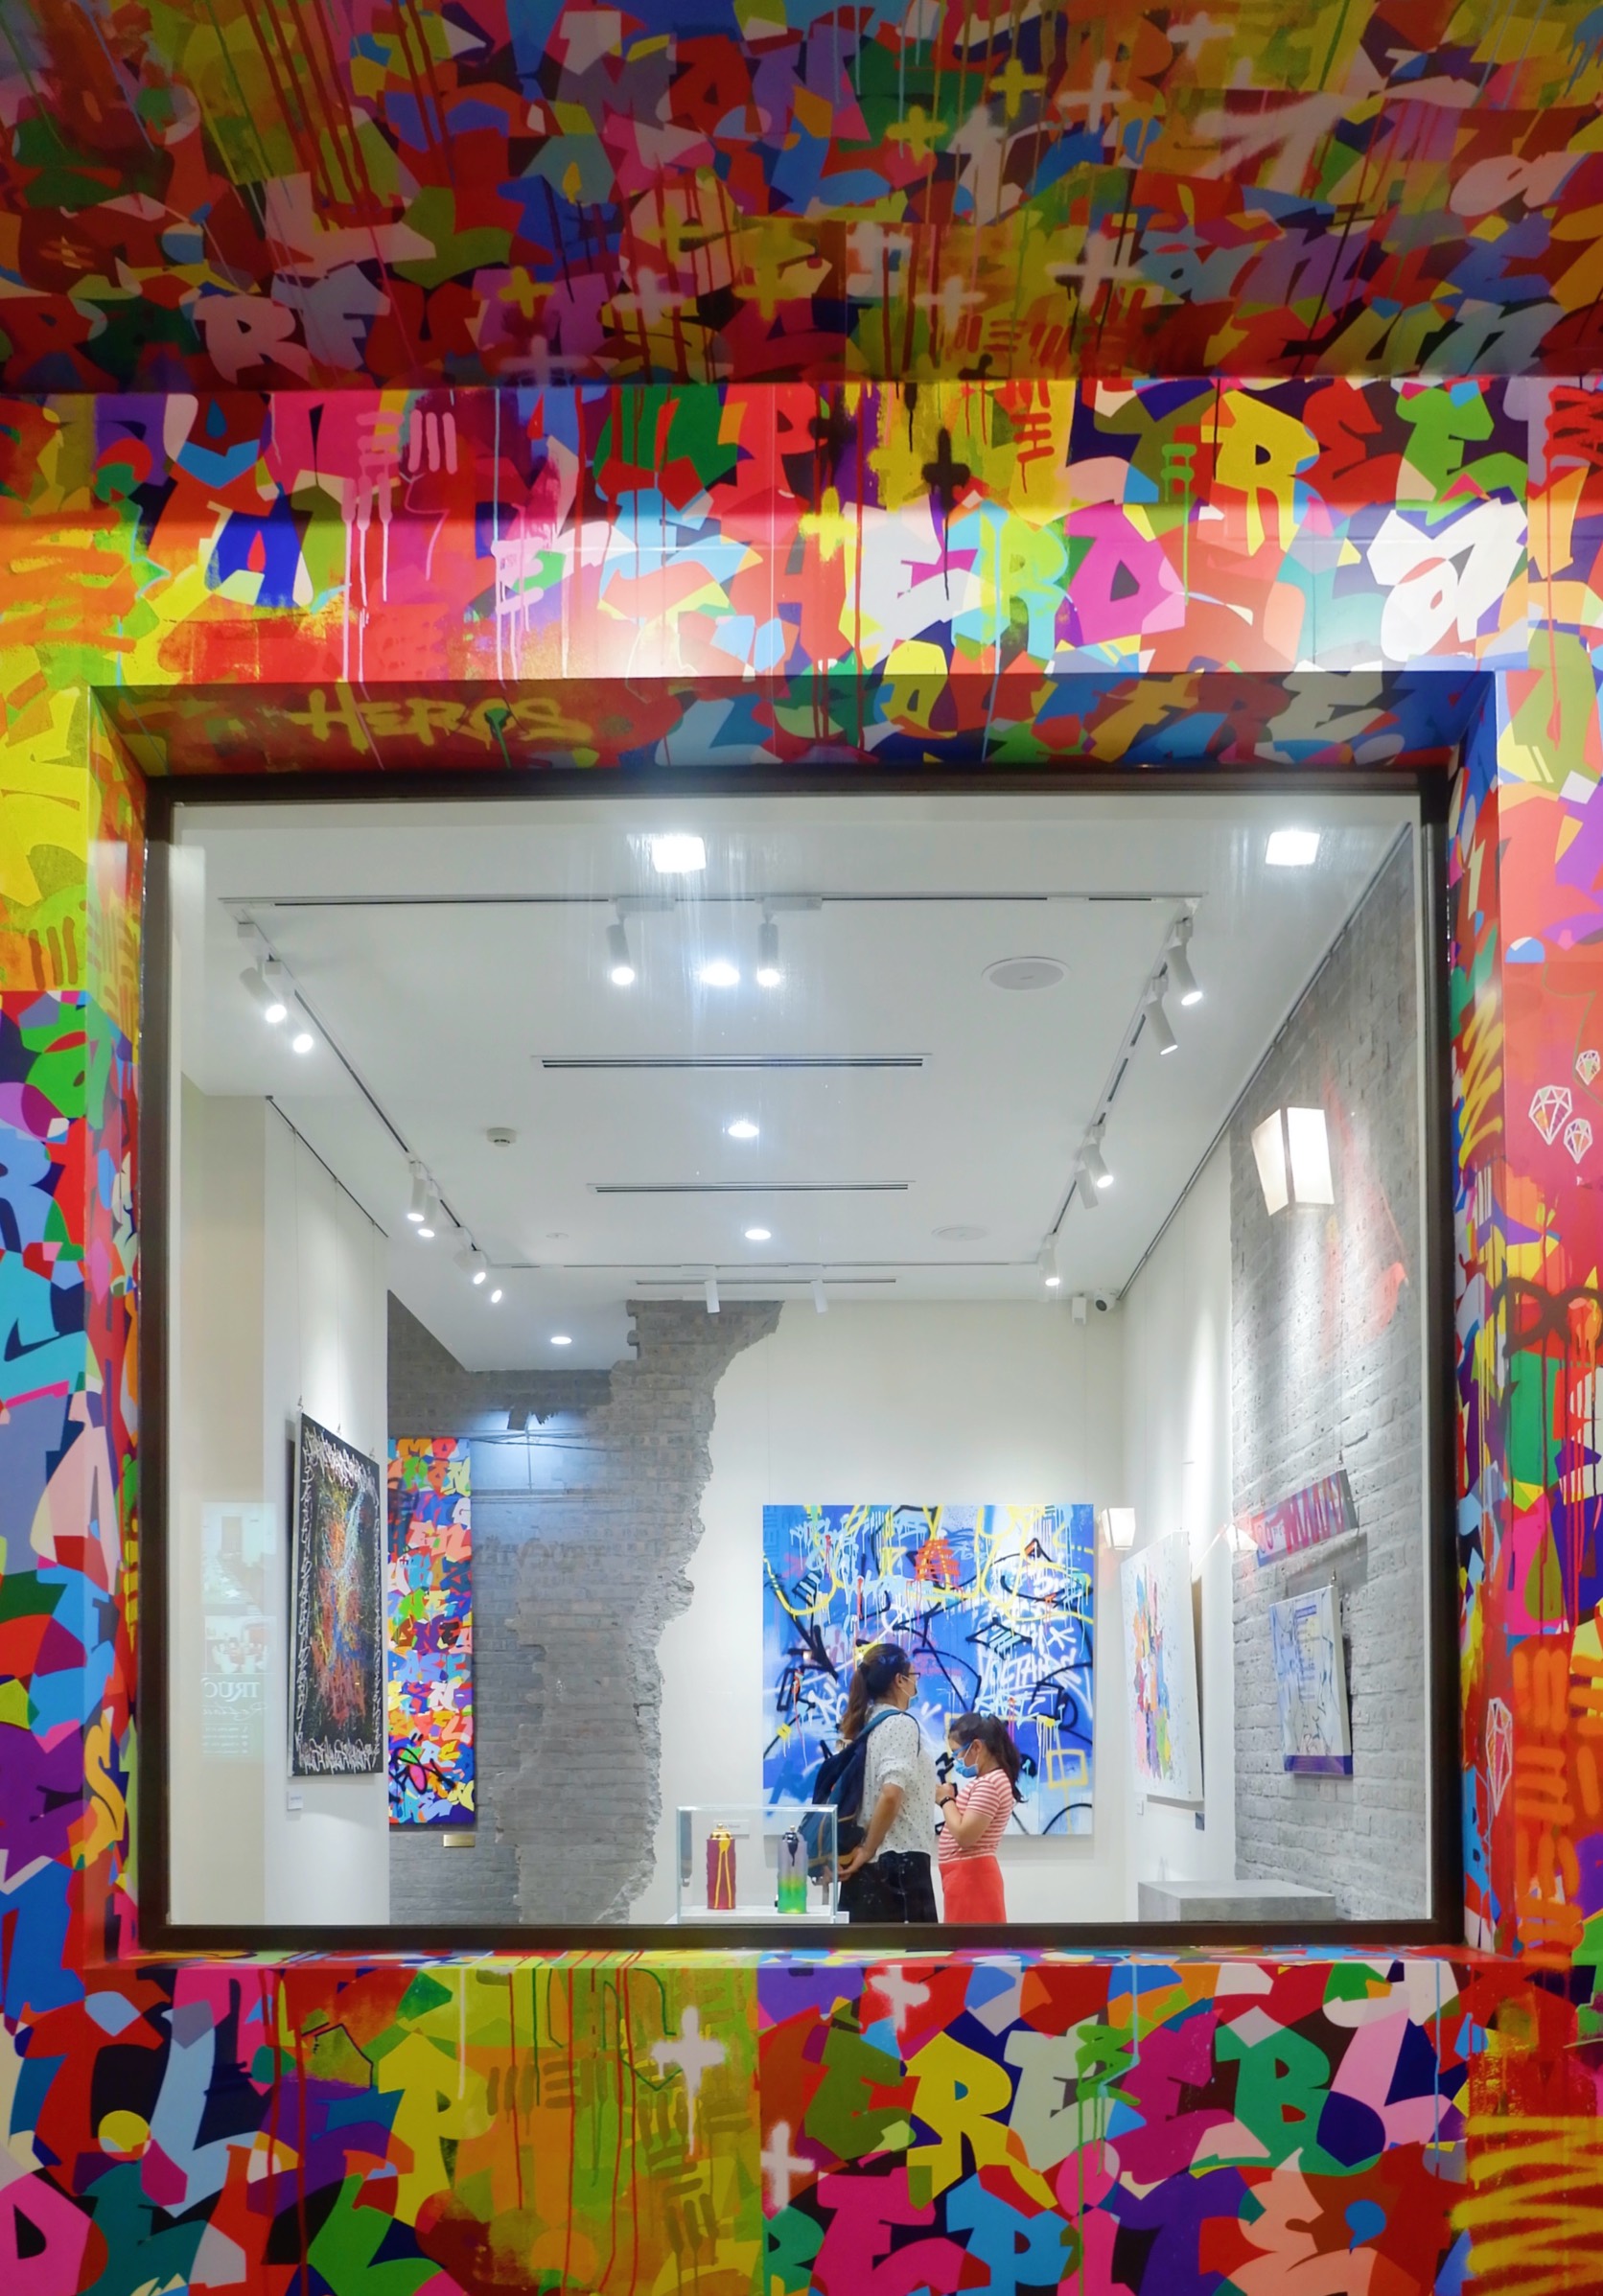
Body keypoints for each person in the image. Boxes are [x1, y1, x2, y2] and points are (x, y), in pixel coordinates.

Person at [835, 1643, 941, 1923]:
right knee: (909, 1952)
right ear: (899, 1680)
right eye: (914, 1675)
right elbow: (891, 1793)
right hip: (897, 1866)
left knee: (864, 1952)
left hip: (870, 1867)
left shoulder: (863, 1726)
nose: (916, 1682)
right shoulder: (900, 1724)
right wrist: (869, 1849)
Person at [936, 1713, 1020, 1922]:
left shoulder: (990, 1784)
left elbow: (965, 1836)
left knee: (970, 1942)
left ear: (976, 1747)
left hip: (972, 1879)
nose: (955, 1760)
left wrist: (946, 1800)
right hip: (966, 1876)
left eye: (957, 1753)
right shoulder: (990, 1780)